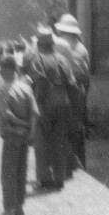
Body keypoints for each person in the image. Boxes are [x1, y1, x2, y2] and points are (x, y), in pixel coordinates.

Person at [0, 55, 40, 215]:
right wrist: (31, 131)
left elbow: (7, 115)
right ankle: (19, 207)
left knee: (8, 174)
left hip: (12, 135)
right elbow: (35, 113)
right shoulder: (26, 87)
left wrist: (21, 123)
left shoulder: (2, 90)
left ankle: (8, 211)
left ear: (5, 70)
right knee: (21, 171)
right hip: (25, 136)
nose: (0, 72)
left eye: (1, 69)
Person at [29, 27, 76, 190]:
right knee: (59, 142)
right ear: (52, 43)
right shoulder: (63, 60)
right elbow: (72, 84)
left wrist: (38, 106)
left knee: (42, 143)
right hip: (64, 104)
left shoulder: (38, 60)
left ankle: (45, 179)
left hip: (46, 104)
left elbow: (41, 83)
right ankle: (59, 178)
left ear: (39, 44)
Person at [54, 13, 90, 174]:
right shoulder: (82, 48)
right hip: (79, 90)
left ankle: (66, 162)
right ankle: (80, 161)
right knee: (78, 125)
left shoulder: (58, 45)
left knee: (62, 126)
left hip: (63, 90)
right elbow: (86, 75)